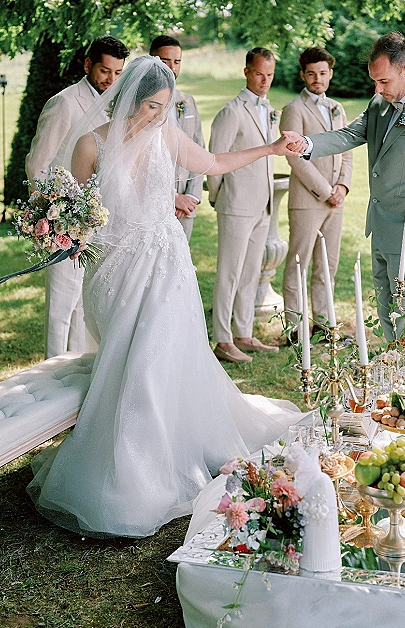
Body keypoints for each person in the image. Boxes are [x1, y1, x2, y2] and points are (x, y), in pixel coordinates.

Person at [26, 56, 303, 539]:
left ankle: (157, 464)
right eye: (153, 105)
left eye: (166, 106)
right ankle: (128, 465)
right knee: (126, 360)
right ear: (131, 98)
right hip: (113, 268)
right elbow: (79, 205)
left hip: (163, 263)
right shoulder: (90, 143)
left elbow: (214, 163)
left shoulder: (165, 134)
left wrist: (272, 148)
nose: (159, 114)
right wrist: (62, 229)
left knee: (158, 360)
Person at [284, 32, 405, 342]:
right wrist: (306, 143)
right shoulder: (380, 103)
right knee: (387, 316)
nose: (377, 89)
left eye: (384, 82)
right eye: (374, 82)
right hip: (379, 230)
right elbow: (349, 135)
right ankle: (391, 382)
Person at [25, 36, 130, 358]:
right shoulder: (64, 103)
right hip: (65, 223)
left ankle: (79, 368)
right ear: (88, 65)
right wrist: (54, 217)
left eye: (117, 72)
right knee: (61, 305)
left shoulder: (118, 106)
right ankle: (52, 370)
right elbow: (38, 163)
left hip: (103, 222)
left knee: (89, 303)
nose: (110, 79)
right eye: (104, 70)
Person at [207, 47, 280, 364]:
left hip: (262, 205)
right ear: (247, 72)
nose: (265, 81)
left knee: (251, 272)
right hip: (235, 204)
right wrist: (218, 197)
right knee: (229, 273)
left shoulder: (269, 109)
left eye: (270, 75)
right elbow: (214, 160)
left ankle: (244, 333)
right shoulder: (231, 111)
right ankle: (222, 340)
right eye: (259, 74)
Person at [280, 47, 352, 341]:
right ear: (303, 75)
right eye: (312, 74)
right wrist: (325, 191)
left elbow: (346, 148)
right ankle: (295, 329)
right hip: (308, 200)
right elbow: (294, 156)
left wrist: (342, 187)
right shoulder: (294, 109)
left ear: (330, 74)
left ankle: (324, 326)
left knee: (327, 265)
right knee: (299, 263)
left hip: (336, 200)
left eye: (323, 73)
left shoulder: (337, 107)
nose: (317, 79)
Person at [149, 35, 205, 241]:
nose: (172, 67)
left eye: (177, 61)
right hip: (150, 205)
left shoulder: (187, 101)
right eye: (165, 61)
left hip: (185, 208)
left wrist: (191, 197)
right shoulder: (141, 104)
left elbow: (200, 149)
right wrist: (172, 198)